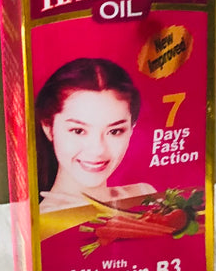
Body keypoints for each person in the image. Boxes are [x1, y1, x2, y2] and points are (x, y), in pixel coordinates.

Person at [36, 57, 155, 213]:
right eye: (78, 131)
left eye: (114, 131)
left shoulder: (144, 194)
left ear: (131, 129)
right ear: (48, 128)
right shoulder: (46, 216)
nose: (98, 150)